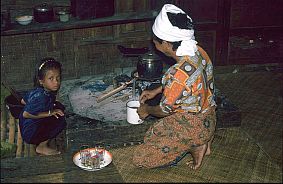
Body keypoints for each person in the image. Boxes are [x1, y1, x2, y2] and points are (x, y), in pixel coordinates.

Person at [132, 4, 217, 170]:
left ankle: (196, 144)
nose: (154, 44)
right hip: (210, 116)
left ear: (165, 44)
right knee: (153, 134)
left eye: (155, 41)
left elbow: (164, 110)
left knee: (141, 159)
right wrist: (157, 90)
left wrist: (146, 110)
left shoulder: (176, 77)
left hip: (193, 125)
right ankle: (202, 140)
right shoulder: (198, 51)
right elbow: (188, 85)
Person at [19, 57, 66, 155]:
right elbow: (26, 114)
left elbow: (23, 101)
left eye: (58, 78)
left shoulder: (37, 91)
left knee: (59, 107)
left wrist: (39, 107)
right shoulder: (42, 97)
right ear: (41, 81)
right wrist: (49, 113)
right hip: (31, 134)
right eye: (51, 78)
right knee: (61, 120)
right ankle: (42, 146)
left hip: (27, 127)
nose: (56, 82)